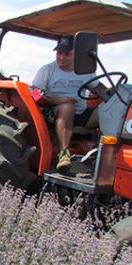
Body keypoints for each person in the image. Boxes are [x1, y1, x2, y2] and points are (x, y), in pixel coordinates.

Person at [32, 36, 106, 170]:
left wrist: (117, 92)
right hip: (53, 113)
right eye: (59, 53)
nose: (61, 57)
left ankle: (106, 152)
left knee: (108, 111)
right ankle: (64, 154)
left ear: (76, 55)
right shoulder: (48, 70)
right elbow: (35, 94)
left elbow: (100, 89)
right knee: (68, 107)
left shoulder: (85, 72)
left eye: (66, 54)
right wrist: (61, 100)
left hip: (81, 113)